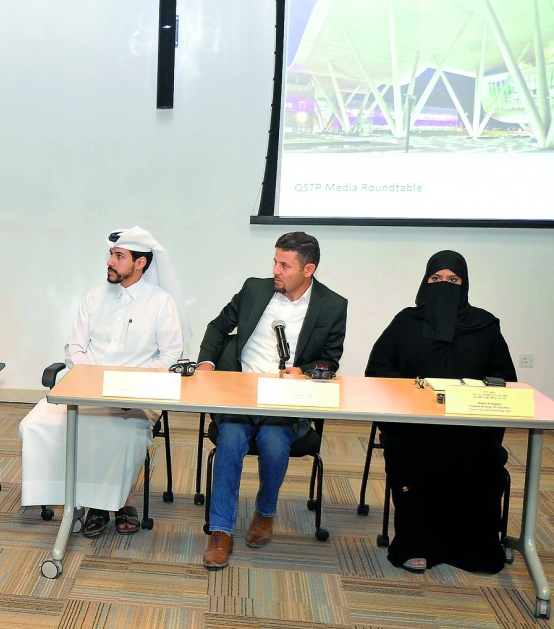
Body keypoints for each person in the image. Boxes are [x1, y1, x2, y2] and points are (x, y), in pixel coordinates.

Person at [19, 226, 188, 537]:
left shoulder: (160, 302)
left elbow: (170, 355)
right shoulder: (94, 297)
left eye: (119, 256)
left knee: (122, 435)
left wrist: (131, 385)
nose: (110, 261)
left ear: (140, 263)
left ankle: (117, 502)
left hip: (135, 396)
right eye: (111, 254)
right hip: (86, 388)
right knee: (35, 424)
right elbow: (74, 347)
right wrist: (93, 380)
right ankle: (82, 499)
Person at [196, 231, 347, 569]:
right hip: (240, 394)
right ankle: (220, 530)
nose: (276, 270)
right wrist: (206, 363)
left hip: (285, 400)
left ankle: (265, 513)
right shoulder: (254, 289)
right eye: (275, 262)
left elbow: (330, 360)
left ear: (308, 270)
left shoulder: (333, 305)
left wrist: (304, 371)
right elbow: (218, 327)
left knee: (274, 442)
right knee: (231, 440)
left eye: (285, 265)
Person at [365, 250, 515, 574]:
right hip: (414, 427)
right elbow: (377, 370)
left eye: (452, 280)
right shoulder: (406, 322)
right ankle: (415, 544)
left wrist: (474, 392)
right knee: (412, 458)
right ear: (425, 282)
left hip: (469, 429)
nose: (444, 285)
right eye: (436, 279)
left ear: (464, 284)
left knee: (484, 465)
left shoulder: (484, 326)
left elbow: (505, 378)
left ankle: (473, 548)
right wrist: (414, 391)